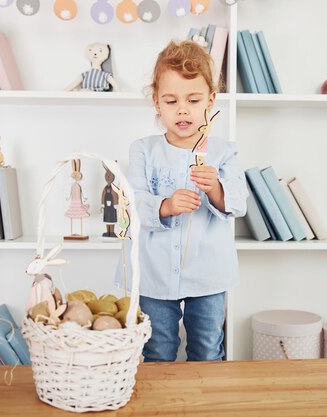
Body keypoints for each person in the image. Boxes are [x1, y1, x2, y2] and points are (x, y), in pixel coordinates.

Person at [120, 40, 248, 362]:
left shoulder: (224, 152)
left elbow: (239, 203)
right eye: (171, 100)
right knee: (157, 349)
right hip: (153, 271)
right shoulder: (143, 149)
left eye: (193, 100)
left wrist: (216, 189)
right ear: (156, 103)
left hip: (208, 273)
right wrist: (165, 205)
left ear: (211, 100)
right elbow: (129, 204)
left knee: (207, 348)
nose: (182, 109)